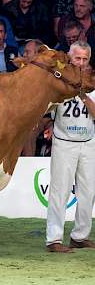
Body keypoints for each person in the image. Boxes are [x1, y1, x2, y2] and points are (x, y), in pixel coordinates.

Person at [46, 41, 95, 253]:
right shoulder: (58, 80)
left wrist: (82, 93)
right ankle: (53, 239)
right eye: (77, 58)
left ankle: (80, 236)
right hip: (64, 142)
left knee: (88, 192)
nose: (81, 63)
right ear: (69, 57)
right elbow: (47, 107)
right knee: (59, 191)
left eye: (85, 59)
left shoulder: (93, 82)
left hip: (88, 142)